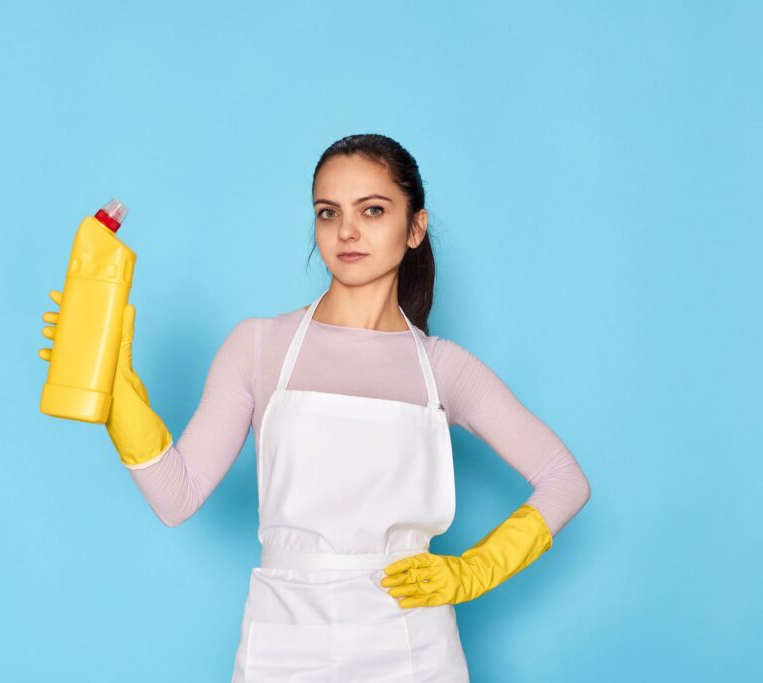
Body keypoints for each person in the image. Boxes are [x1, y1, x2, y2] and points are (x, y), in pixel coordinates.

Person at [40, 133, 591, 682]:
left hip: (410, 641)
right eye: (328, 213)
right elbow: (176, 497)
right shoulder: (258, 345)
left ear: (415, 228)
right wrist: (114, 390)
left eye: (372, 210)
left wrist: (473, 572)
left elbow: (564, 479)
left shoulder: (443, 368)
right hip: (284, 639)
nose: (347, 231)